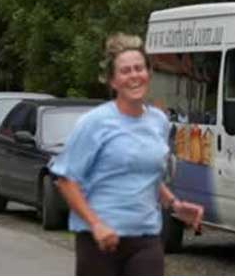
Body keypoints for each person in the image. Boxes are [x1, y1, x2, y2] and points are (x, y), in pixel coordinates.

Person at [49, 33, 203, 276]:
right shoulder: (94, 123)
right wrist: (95, 224)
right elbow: (65, 179)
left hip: (145, 236)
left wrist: (174, 204)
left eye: (139, 68)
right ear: (112, 81)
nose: (134, 76)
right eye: (125, 71)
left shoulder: (158, 122)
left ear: (148, 73)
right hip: (99, 240)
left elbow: (147, 176)